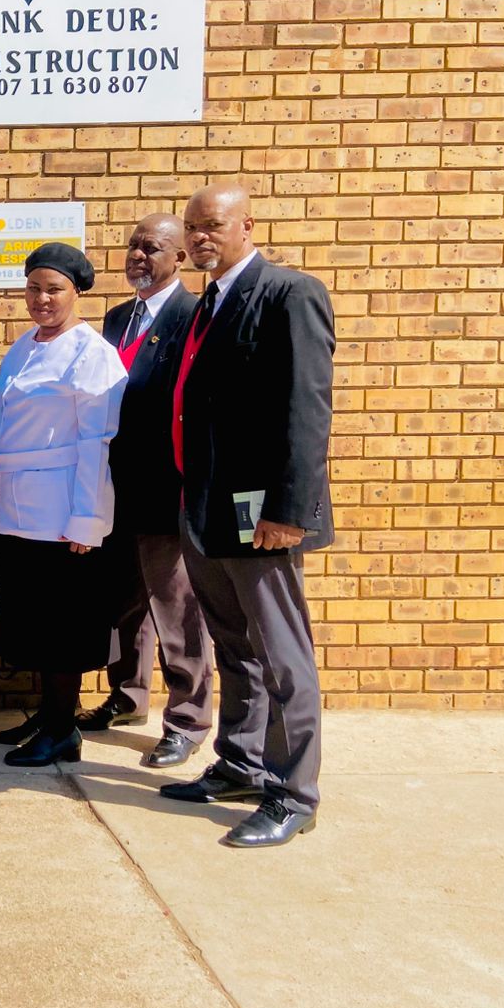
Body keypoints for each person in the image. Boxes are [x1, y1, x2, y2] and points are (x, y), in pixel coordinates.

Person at [160, 182, 335, 848]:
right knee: (234, 646)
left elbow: (306, 409)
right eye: (193, 228)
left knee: (282, 655)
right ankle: (241, 763)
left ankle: (293, 794)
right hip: (207, 509)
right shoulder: (209, 302)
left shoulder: (289, 293)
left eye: (213, 225)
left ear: (246, 225)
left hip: (262, 516)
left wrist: (289, 510)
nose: (200, 237)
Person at [73, 214, 213, 769]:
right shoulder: (117, 318)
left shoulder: (192, 315)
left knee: (176, 608)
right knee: (124, 605)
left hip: (165, 489)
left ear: (178, 257)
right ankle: (128, 697)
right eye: (133, 245)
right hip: (115, 488)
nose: (137, 255)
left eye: (151, 247)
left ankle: (187, 720)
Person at [0, 242, 128, 768]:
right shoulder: (23, 346)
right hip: (20, 509)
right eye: (33, 288)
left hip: (63, 513)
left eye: (54, 289)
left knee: (62, 626)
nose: (41, 299)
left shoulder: (91, 353)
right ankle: (48, 713)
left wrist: (87, 520)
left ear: (76, 292)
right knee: (32, 620)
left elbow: (98, 441)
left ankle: (61, 729)